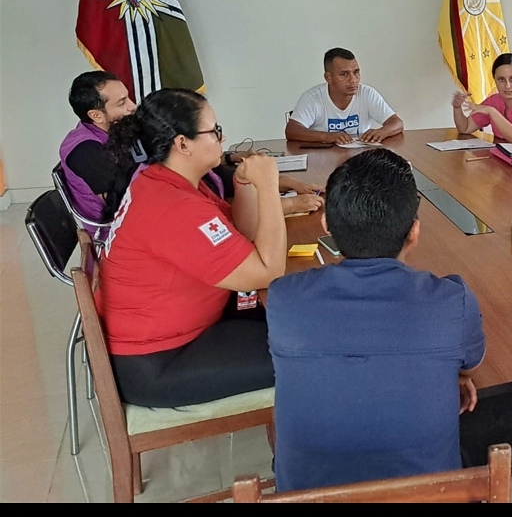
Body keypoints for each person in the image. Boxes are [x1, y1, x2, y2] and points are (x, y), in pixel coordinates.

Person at [267, 148, 485, 491]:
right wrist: (443, 373)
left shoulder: (283, 299)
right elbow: (470, 366)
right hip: (427, 497)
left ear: (326, 226)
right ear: (414, 232)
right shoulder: (451, 301)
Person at [97, 88, 286, 408]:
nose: (222, 138)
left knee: (292, 321)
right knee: (312, 350)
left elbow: (240, 236)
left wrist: (244, 185)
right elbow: (268, 272)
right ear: (182, 143)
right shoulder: (175, 207)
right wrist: (268, 185)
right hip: (158, 362)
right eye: (214, 131)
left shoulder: (166, 181)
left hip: (172, 338)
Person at [59, 71, 136, 229]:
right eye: (121, 103)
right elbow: (122, 202)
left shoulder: (116, 129)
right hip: (116, 230)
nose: (133, 107)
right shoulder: (84, 151)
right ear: (96, 116)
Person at [286, 47, 404, 145]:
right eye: (344, 74)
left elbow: (397, 123)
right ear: (328, 77)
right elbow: (292, 130)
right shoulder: (313, 97)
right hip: (323, 160)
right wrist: (327, 137)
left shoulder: (367, 93)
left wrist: (383, 131)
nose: (353, 80)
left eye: (356, 72)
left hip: (360, 159)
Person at [451, 52, 512, 146]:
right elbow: (465, 128)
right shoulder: (494, 101)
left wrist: (492, 111)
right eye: (501, 79)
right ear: (494, 80)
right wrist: (457, 108)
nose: (507, 86)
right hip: (504, 154)